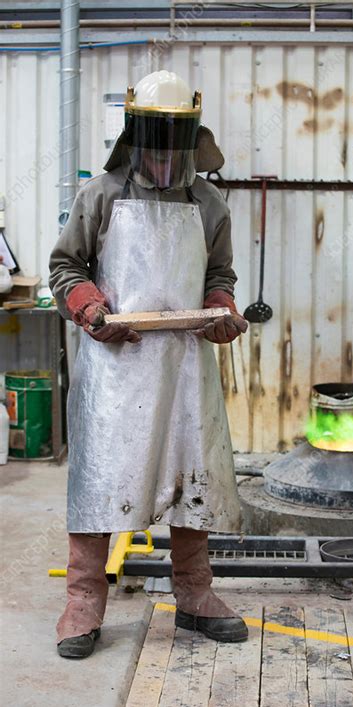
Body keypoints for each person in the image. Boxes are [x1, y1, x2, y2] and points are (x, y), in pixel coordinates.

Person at [49, 70, 248, 659]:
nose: (164, 154)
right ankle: (83, 602)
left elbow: (220, 276)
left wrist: (221, 310)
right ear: (136, 135)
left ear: (191, 137)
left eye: (174, 139)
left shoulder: (208, 203)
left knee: (194, 476)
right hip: (116, 370)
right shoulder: (102, 195)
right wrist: (92, 310)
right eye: (154, 138)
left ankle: (195, 595)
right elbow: (66, 270)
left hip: (185, 365)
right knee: (99, 483)